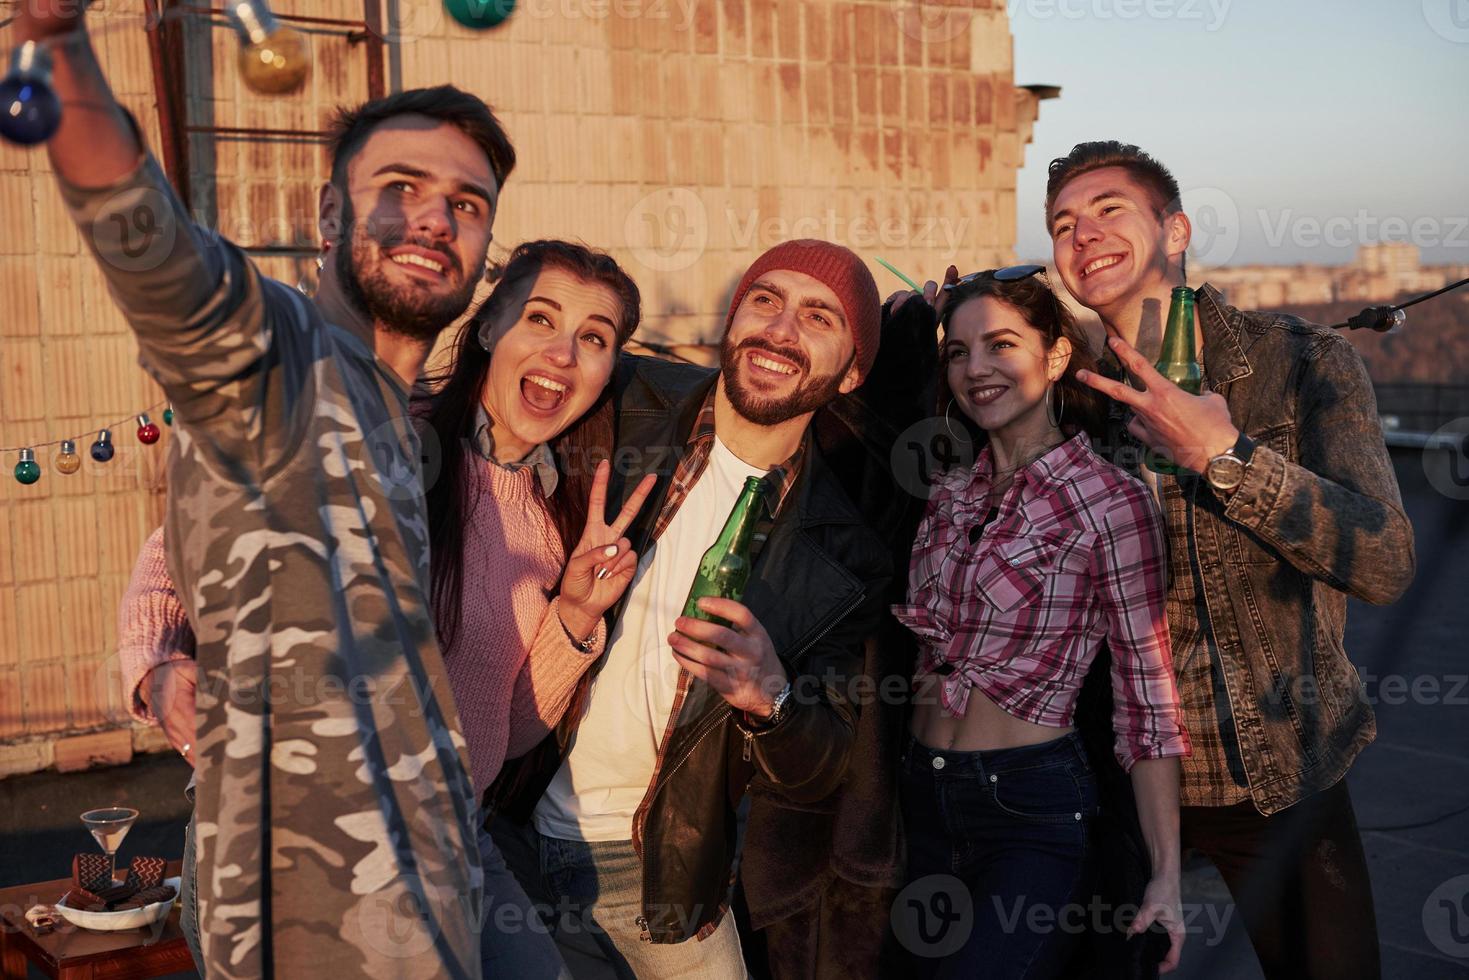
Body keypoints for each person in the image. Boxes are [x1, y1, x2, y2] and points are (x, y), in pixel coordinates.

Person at [17, 5, 518, 973]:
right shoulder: (277, 355)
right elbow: (153, 251)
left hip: (434, 887)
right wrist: (62, 47)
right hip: (311, 921)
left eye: (467, 201)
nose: (434, 218)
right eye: (400, 186)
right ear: (329, 214)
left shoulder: (399, 422)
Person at [116, 241, 660, 977]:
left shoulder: (552, 514)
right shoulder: (379, 435)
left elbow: (509, 726)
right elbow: (175, 556)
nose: (564, 352)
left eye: (593, 338)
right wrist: (157, 667)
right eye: (541, 318)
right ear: (490, 330)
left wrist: (572, 615)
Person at [1049, 141, 1416, 979]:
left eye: (1109, 211)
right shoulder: (1062, 397)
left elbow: (1384, 559)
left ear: (1173, 230)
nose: (1083, 235)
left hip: (1277, 775)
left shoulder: (1300, 363)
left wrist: (1227, 455)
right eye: (1063, 224)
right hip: (1118, 786)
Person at [488, 239, 892, 979]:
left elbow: (822, 764)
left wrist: (768, 696)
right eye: (764, 301)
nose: (780, 331)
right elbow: (486, 407)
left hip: (655, 869)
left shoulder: (843, 554)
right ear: (731, 320)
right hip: (500, 825)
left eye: (818, 317)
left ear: (853, 370)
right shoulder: (621, 401)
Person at [888, 267, 1191, 978]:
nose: (976, 369)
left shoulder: (1109, 501)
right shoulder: (946, 493)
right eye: (957, 352)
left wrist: (1167, 875)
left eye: (1000, 345)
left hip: (1027, 807)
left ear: (1055, 356)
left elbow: (1146, 695)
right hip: (917, 796)